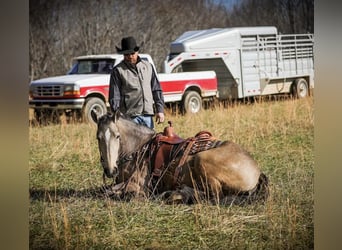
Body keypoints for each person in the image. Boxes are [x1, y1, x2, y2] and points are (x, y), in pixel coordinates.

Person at [109, 36, 165, 129]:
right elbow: (114, 96)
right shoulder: (117, 71)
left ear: (137, 52)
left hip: (148, 115)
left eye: (132, 53)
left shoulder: (148, 66)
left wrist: (160, 110)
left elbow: (156, 89)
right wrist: (117, 115)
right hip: (129, 117)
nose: (130, 56)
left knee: (150, 143)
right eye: (127, 54)